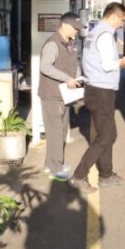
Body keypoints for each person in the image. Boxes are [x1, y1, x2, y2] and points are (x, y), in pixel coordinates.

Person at [69, 2, 125, 194]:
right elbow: (108, 65)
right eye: (122, 20)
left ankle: (106, 175)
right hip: (101, 92)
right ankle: (79, 176)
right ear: (114, 16)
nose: (122, 25)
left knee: (108, 134)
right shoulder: (106, 35)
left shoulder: (94, 32)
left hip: (95, 89)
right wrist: (123, 62)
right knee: (106, 136)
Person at [39, 12, 84, 181]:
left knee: (61, 130)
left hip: (64, 95)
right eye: (75, 28)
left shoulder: (70, 43)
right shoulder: (53, 44)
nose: (77, 31)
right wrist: (67, 78)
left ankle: (50, 164)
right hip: (52, 95)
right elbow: (45, 67)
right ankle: (55, 169)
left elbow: (74, 63)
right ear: (64, 25)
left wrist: (77, 78)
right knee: (55, 133)